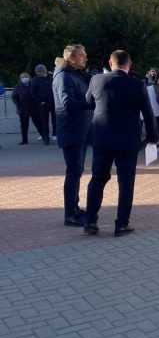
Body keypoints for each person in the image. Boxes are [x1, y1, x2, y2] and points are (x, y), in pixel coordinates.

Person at [82, 50, 158, 236]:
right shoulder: (137, 84)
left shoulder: (96, 80)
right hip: (127, 140)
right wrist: (153, 137)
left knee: (97, 179)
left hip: (101, 138)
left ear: (110, 62)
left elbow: (88, 101)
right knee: (125, 182)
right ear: (129, 64)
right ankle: (121, 224)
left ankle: (90, 221)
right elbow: (148, 113)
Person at [53, 45, 93, 227]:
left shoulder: (75, 74)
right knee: (73, 172)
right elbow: (67, 104)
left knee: (77, 172)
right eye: (82, 56)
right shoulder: (63, 76)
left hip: (80, 130)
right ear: (72, 58)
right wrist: (90, 103)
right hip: (72, 131)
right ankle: (70, 214)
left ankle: (75, 208)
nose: (85, 59)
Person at [12, 73, 44, 145]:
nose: (25, 78)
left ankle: (44, 136)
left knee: (38, 123)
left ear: (29, 77)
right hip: (23, 108)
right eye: (23, 77)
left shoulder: (33, 84)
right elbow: (14, 97)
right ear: (20, 79)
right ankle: (24, 140)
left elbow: (38, 94)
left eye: (26, 77)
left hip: (34, 107)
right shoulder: (18, 86)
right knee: (24, 125)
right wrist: (18, 105)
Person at [31, 64, 56, 144]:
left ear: (44, 71)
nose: (38, 74)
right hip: (43, 103)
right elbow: (33, 93)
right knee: (44, 121)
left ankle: (55, 134)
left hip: (53, 101)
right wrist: (40, 101)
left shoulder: (52, 77)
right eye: (37, 72)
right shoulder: (35, 80)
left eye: (39, 72)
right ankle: (46, 138)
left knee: (55, 120)